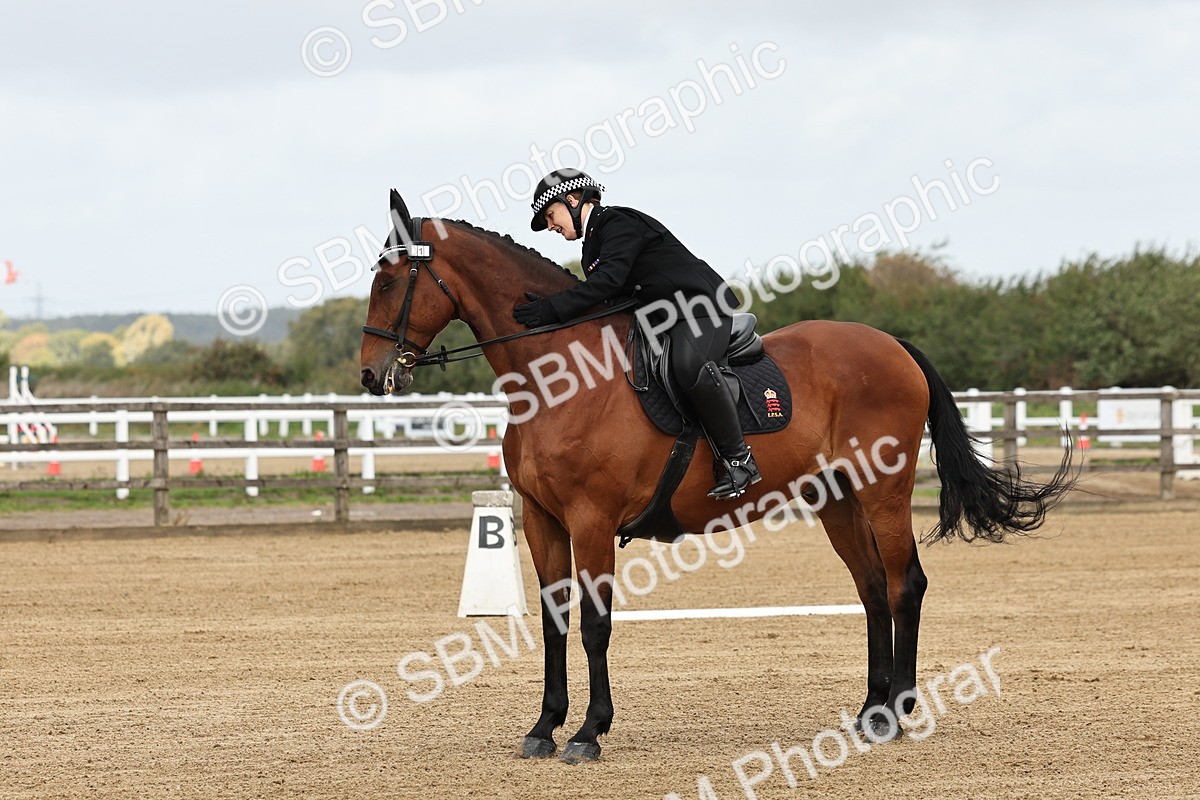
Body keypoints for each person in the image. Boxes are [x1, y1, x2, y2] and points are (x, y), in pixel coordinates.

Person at [514, 168, 762, 500]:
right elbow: (609, 300)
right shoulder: (592, 245)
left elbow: (609, 282)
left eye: (551, 215)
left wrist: (552, 308)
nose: (551, 226)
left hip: (700, 307)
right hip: (662, 318)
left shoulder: (617, 223)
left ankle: (739, 459)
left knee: (689, 365)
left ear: (572, 201)